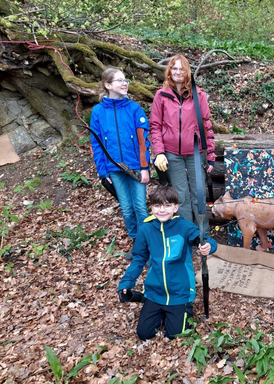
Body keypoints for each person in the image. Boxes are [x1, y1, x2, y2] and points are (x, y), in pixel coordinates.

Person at [118, 185, 217, 340]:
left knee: (176, 334)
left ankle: (180, 311)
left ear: (175, 207)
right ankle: (149, 303)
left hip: (180, 292)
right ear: (151, 208)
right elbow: (138, 260)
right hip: (155, 292)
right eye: (157, 206)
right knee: (144, 334)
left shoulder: (184, 227)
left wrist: (207, 246)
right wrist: (126, 283)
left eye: (167, 206)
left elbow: (202, 238)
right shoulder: (146, 229)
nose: (162, 210)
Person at [150, 54, 215, 235]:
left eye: (181, 68)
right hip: (172, 153)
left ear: (187, 71)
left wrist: (210, 156)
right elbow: (155, 126)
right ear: (169, 71)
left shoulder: (198, 94)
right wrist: (160, 152)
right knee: (181, 196)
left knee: (198, 194)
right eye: (174, 68)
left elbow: (206, 125)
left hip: (195, 152)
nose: (178, 72)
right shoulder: (161, 95)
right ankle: (188, 234)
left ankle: (203, 235)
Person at [90, 67, 150, 259]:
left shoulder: (134, 108)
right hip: (113, 169)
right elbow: (96, 144)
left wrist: (144, 167)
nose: (125, 84)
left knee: (140, 206)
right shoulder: (98, 112)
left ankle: (146, 244)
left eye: (126, 80)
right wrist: (102, 171)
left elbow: (143, 141)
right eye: (120, 80)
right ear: (108, 85)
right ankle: (136, 242)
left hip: (135, 167)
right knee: (126, 207)